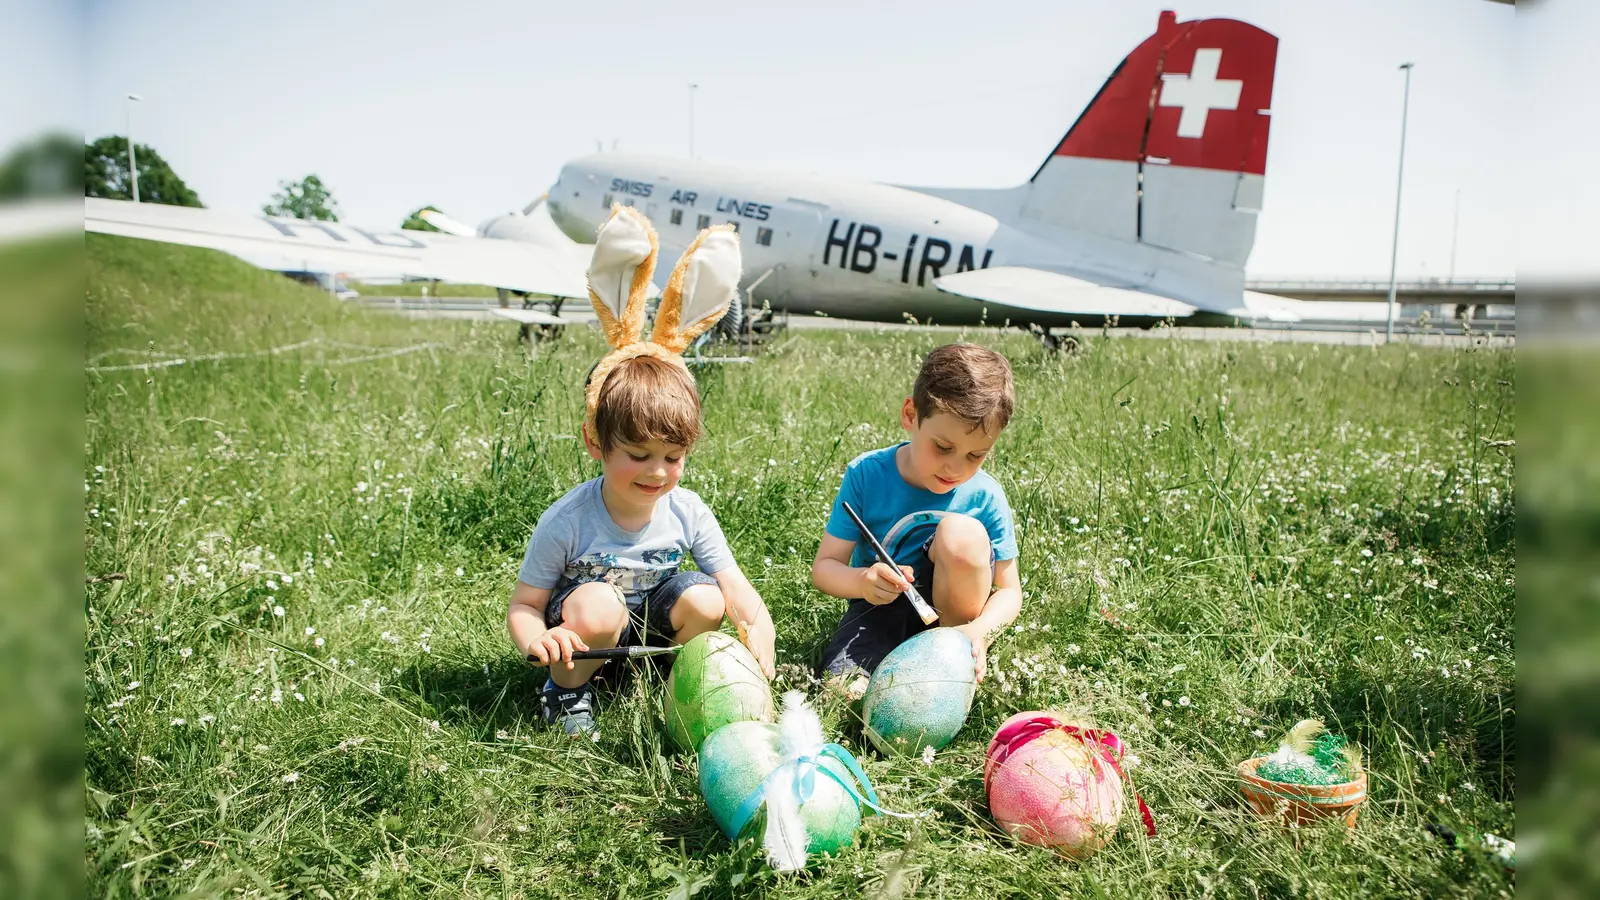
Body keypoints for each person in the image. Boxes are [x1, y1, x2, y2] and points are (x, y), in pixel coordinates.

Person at [508, 205, 776, 737]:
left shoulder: (687, 510)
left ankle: (676, 681)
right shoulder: (569, 520)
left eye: (672, 457)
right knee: (599, 601)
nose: (657, 472)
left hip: (648, 629)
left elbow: (736, 589)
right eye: (638, 454)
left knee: (705, 596)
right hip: (587, 635)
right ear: (595, 443)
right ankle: (566, 692)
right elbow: (525, 605)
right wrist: (537, 639)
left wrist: (759, 631)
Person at [811, 342, 1021, 693]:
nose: (956, 468)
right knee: (843, 694)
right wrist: (863, 581)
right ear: (910, 415)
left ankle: (949, 665)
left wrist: (977, 630)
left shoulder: (985, 495)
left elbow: (1010, 590)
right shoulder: (867, 474)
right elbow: (825, 567)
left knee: (961, 536)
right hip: (879, 610)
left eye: (976, 455)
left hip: (955, 625)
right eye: (943, 447)